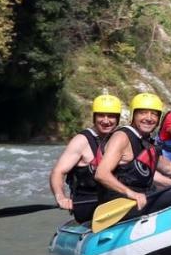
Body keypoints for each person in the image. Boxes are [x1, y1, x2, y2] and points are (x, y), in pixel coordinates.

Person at [94, 92, 171, 220]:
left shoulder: (147, 141)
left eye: (154, 114)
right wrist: (131, 194)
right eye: (143, 113)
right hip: (120, 203)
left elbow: (169, 168)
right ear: (133, 115)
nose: (149, 118)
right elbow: (102, 174)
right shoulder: (122, 137)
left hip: (142, 197)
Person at [48, 94, 122, 225]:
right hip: (87, 204)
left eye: (111, 116)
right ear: (94, 117)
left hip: (114, 202)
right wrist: (61, 197)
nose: (106, 121)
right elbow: (57, 172)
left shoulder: (119, 139)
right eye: (101, 115)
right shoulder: (81, 141)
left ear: (117, 118)